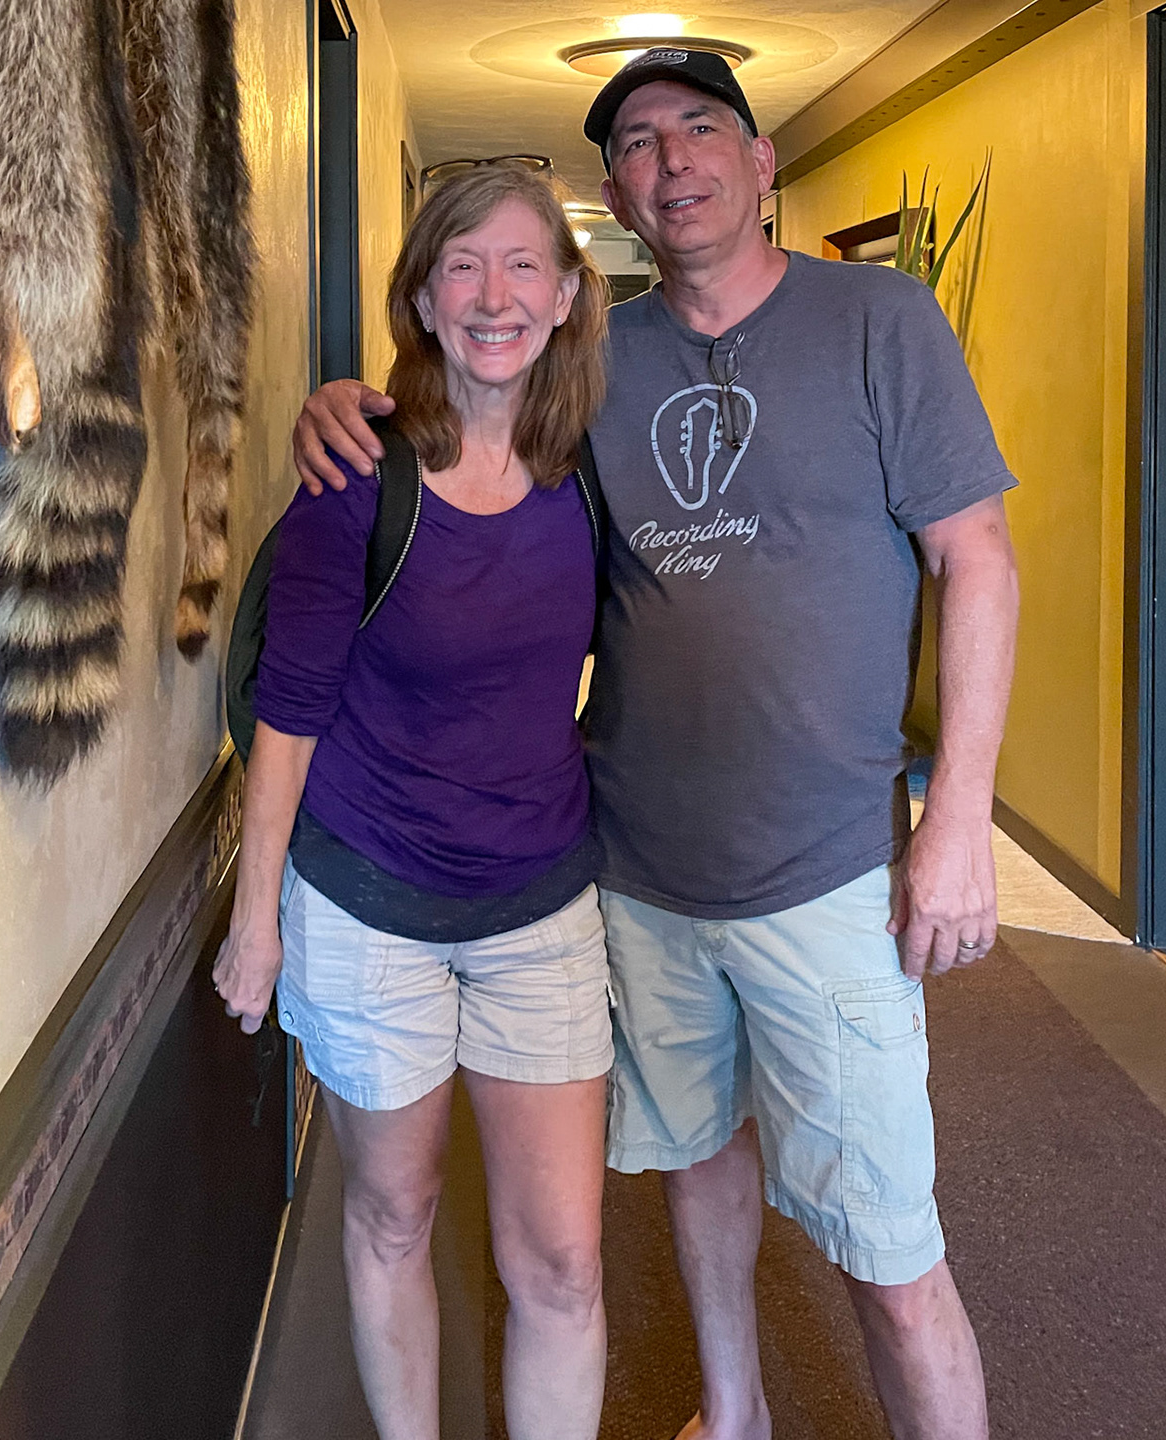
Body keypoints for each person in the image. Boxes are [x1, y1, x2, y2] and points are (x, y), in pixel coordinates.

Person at [288, 49, 1021, 1440]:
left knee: (892, 1245)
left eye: (701, 127)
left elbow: (976, 562)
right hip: (633, 873)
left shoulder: (883, 319)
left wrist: (959, 818)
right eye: (636, 142)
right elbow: (467, 437)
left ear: (759, 163)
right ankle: (732, 1413)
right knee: (696, 1170)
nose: (672, 158)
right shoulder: (595, 358)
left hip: (824, 878)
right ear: (616, 197)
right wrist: (343, 406)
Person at [211, 162, 614, 1440]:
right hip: (370, 903)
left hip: (540, 906)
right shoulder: (357, 479)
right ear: (425, 303)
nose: (494, 294)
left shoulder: (592, 472)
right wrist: (255, 918)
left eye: (521, 267)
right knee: (393, 1215)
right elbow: (290, 709)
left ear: (564, 298)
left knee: (560, 1261)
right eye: (462, 267)